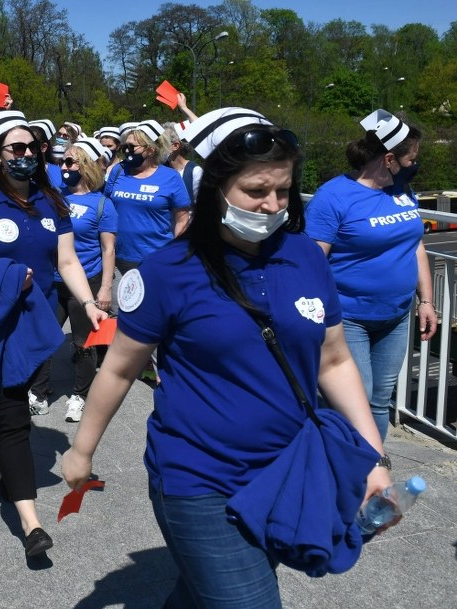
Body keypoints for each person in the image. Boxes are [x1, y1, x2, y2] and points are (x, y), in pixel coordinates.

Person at [61, 108, 392, 607]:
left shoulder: (304, 256)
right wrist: (82, 451)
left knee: (202, 595)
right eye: (256, 191)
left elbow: (335, 361)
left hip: (288, 471)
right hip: (199, 478)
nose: (272, 205)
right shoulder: (169, 271)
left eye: (282, 191)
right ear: (214, 187)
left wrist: (373, 458)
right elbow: (121, 367)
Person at [0, 111, 105, 557]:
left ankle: (3, 461)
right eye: (18, 148)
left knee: (13, 409)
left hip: (37, 323)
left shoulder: (53, 201)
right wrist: (2, 277)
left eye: (33, 147)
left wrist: (89, 304)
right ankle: (32, 525)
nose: (28, 155)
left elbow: (68, 262)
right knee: (12, 410)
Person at [304, 109, 437, 441]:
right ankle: (349, 467)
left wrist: (427, 301)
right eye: (412, 158)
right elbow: (311, 262)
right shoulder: (333, 197)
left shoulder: (403, 192)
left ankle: (373, 464)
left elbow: (415, 245)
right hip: (348, 317)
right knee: (353, 399)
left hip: (396, 316)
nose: (415, 165)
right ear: (389, 158)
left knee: (379, 401)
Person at [28, 137, 117, 422]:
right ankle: (39, 394)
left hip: (86, 283)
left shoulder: (102, 204)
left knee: (83, 343)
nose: (63, 166)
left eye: (69, 161)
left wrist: (104, 288)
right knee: (45, 336)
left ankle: (79, 395)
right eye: (62, 161)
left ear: (86, 165)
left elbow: (108, 250)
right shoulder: (56, 197)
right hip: (53, 280)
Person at [104, 120, 191, 275]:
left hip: (157, 258)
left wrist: (175, 254)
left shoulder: (170, 177)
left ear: (150, 149)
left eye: (132, 147)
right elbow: (107, 210)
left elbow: (182, 220)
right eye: (125, 147)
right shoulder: (118, 170)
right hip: (118, 259)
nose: (127, 151)